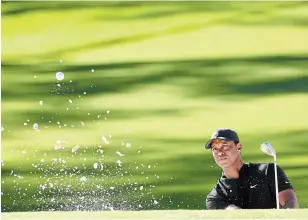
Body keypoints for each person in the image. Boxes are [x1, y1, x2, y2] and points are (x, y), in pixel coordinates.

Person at [204, 128, 299, 209]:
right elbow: (233, 213)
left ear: (239, 147)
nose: (220, 153)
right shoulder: (215, 196)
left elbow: (290, 201)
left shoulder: (268, 171)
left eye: (225, 146)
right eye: (215, 149)